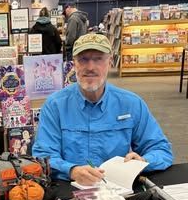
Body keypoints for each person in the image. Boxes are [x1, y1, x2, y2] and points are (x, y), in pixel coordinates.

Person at [32, 33, 173, 185]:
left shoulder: (131, 104)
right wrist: (72, 170)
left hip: (119, 191)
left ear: (110, 62)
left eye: (98, 59)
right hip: (70, 190)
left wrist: (144, 160)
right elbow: (43, 156)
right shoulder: (55, 105)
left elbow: (161, 150)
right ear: (74, 63)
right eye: (83, 59)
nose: (90, 67)